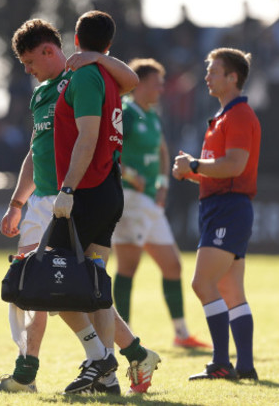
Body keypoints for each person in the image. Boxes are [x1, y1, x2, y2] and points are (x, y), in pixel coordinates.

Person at [0, 17, 160, 396]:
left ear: (50, 50)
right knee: (65, 289)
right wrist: (17, 202)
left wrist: (94, 55)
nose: (27, 71)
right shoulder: (42, 92)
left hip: (72, 195)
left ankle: (44, 370)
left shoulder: (83, 74)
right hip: (46, 199)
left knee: (51, 288)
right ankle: (122, 361)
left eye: (30, 62)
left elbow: (127, 81)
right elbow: (35, 149)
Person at [172, 47, 260, 381]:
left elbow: (235, 165)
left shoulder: (237, 115)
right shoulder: (224, 116)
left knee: (202, 283)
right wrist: (192, 170)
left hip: (228, 207)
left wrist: (194, 165)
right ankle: (246, 365)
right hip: (223, 206)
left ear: (232, 77)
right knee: (231, 291)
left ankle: (221, 362)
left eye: (214, 71)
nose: (207, 76)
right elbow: (222, 168)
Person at [112, 58, 210, 349]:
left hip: (150, 202)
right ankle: (122, 336)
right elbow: (106, 151)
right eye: (156, 83)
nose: (161, 89)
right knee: (128, 266)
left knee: (172, 266)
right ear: (138, 83)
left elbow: (164, 151)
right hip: (129, 199)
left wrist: (164, 185)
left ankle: (181, 334)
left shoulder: (151, 114)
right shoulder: (126, 113)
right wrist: (129, 174)